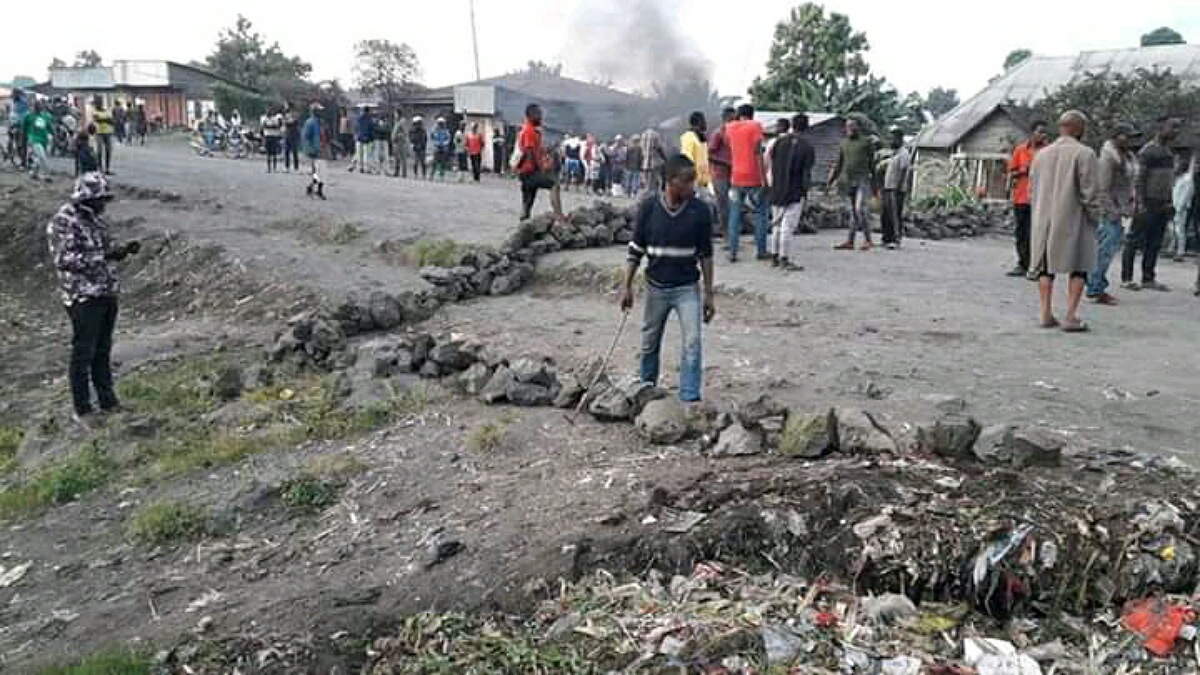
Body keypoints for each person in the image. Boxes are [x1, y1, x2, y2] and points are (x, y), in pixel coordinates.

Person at [47, 172, 141, 426]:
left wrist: (119, 252)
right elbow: (64, 260)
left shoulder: (96, 219)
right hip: (82, 295)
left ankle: (108, 402)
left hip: (105, 291)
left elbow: (104, 248)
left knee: (102, 350)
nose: (103, 204)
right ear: (86, 198)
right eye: (99, 199)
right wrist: (106, 257)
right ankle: (83, 409)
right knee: (83, 353)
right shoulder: (64, 221)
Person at [621, 154, 716, 403]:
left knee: (692, 342)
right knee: (649, 343)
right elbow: (635, 250)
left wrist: (709, 293)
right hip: (656, 287)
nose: (692, 186)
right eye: (687, 181)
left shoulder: (700, 212)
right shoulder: (649, 208)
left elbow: (706, 254)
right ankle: (645, 391)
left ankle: (689, 397)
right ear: (671, 181)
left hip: (687, 288)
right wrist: (626, 287)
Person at [1029, 110, 1102, 333]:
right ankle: (1070, 316)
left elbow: (1033, 187)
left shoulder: (1041, 154)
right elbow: (1089, 191)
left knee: (1045, 266)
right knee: (1079, 265)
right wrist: (1096, 214)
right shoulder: (1085, 154)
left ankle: (1044, 313)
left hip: (1044, 218)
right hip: (1074, 218)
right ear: (1079, 128)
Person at [1122, 116, 1180, 292]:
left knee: (1155, 242)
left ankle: (1148, 277)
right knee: (1134, 240)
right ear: (1161, 127)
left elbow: (1169, 180)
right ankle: (1127, 277)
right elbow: (1139, 179)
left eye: (1178, 128)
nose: (1176, 131)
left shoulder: (1168, 153)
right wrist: (1140, 202)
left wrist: (1170, 201)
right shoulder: (1148, 151)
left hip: (1162, 203)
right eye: (1173, 127)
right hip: (1147, 202)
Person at [1085, 123, 1138, 305]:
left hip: (1120, 208)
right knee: (1104, 251)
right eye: (1125, 136)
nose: (1129, 140)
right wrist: (1111, 211)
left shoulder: (1127, 157)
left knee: (1107, 249)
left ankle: (1096, 284)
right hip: (1110, 210)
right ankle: (1095, 287)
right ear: (1116, 136)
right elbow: (1103, 188)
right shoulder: (1108, 158)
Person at [769, 114, 816, 270]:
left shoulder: (779, 142)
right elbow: (806, 173)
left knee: (776, 225)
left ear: (791, 125)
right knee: (787, 227)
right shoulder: (807, 147)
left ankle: (774, 257)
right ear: (806, 127)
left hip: (777, 189)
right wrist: (805, 191)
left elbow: (772, 163)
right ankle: (784, 258)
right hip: (794, 191)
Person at [726, 104, 770, 262]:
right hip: (754, 177)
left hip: (736, 177)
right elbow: (758, 153)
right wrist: (764, 180)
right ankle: (761, 250)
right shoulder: (755, 126)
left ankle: (732, 251)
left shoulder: (730, 127)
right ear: (752, 114)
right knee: (761, 214)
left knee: (734, 215)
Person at [1008, 121, 1049, 276]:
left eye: (1045, 132)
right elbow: (1011, 173)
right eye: (1040, 132)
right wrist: (1022, 171)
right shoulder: (1020, 150)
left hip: (1041, 198)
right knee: (1021, 232)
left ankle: (1036, 265)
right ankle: (1022, 263)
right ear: (1032, 133)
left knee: (1037, 232)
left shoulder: (1049, 152)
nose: (1043, 135)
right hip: (1021, 198)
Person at [828, 118, 875, 251]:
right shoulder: (843, 143)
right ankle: (850, 241)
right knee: (853, 212)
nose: (849, 129)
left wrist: (876, 184)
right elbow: (839, 163)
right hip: (847, 181)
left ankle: (868, 240)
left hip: (862, 180)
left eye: (852, 126)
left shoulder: (866, 142)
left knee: (860, 209)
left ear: (858, 127)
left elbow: (872, 164)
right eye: (847, 126)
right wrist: (831, 180)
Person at [516, 104, 557, 220]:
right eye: (539, 114)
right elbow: (530, 152)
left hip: (525, 172)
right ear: (531, 116)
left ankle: (523, 225)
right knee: (554, 184)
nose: (541, 117)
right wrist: (541, 169)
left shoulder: (530, 130)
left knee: (527, 202)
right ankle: (559, 215)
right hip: (529, 171)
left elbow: (536, 150)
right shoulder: (529, 131)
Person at [880, 128, 912, 249]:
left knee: (894, 215)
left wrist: (898, 187)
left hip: (896, 189)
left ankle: (895, 239)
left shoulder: (904, 153)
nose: (890, 141)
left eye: (892, 138)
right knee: (886, 214)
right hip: (888, 187)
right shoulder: (894, 153)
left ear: (899, 139)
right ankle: (886, 238)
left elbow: (904, 171)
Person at [707, 107, 737, 236]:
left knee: (733, 203)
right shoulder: (718, 133)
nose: (734, 120)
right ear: (726, 118)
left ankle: (731, 231)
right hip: (719, 174)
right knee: (723, 203)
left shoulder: (734, 133)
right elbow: (709, 154)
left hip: (733, 173)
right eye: (732, 118)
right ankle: (725, 231)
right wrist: (726, 162)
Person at [1170, 155, 1196, 262]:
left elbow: (1186, 195)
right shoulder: (1178, 179)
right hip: (1173, 206)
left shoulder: (1187, 180)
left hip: (1181, 208)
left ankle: (1180, 251)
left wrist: (1179, 208)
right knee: (1173, 229)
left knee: (1179, 230)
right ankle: (1172, 247)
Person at [680, 111, 711, 192]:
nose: (705, 124)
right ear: (697, 123)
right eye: (703, 121)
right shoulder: (688, 137)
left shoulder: (701, 137)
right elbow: (687, 159)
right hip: (694, 181)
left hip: (703, 180)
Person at [24, 100, 54, 182]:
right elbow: (24, 128)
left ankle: (34, 174)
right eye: (36, 106)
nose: (38, 107)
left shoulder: (46, 116)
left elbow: (50, 127)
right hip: (34, 139)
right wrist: (27, 138)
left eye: (39, 106)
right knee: (42, 157)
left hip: (44, 140)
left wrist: (54, 135)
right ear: (33, 107)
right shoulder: (28, 116)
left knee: (38, 158)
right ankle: (48, 175)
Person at [302, 104, 326, 200]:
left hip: (319, 148)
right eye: (319, 110)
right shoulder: (310, 122)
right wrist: (310, 149)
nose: (321, 112)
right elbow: (305, 137)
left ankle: (312, 188)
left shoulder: (319, 122)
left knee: (319, 171)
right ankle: (317, 190)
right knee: (319, 171)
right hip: (314, 150)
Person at [91, 97, 115, 175]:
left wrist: (103, 120)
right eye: (97, 103)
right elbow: (98, 119)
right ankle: (100, 168)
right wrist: (106, 120)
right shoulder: (95, 111)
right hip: (99, 132)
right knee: (99, 151)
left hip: (108, 132)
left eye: (99, 102)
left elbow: (111, 121)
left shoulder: (107, 111)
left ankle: (107, 168)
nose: (98, 104)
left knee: (108, 151)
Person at [640, 128, 667, 194]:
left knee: (647, 181)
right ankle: (653, 194)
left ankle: (647, 193)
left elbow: (641, 148)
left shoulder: (643, 135)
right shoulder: (656, 135)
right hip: (654, 162)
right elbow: (659, 148)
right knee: (654, 180)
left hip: (645, 162)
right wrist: (665, 159)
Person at [350, 106, 374, 173]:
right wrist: (372, 138)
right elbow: (372, 129)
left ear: (363, 111)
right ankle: (366, 168)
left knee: (359, 154)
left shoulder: (358, 119)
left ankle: (360, 168)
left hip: (359, 138)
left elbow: (355, 128)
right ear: (368, 111)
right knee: (366, 155)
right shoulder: (370, 119)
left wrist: (355, 135)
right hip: (368, 138)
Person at [262, 107, 284, 173]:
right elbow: (264, 126)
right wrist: (272, 126)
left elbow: (277, 126)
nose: (268, 113)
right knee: (268, 153)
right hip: (268, 136)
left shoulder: (275, 118)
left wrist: (270, 126)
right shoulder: (264, 118)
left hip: (274, 136)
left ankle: (274, 168)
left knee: (274, 153)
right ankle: (269, 168)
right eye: (267, 111)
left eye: (269, 111)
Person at [283, 104, 301, 173]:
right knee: (286, 151)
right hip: (287, 135)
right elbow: (285, 123)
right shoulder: (286, 115)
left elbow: (294, 123)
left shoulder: (295, 115)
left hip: (294, 135)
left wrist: (289, 122)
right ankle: (287, 167)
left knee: (294, 152)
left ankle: (296, 167)